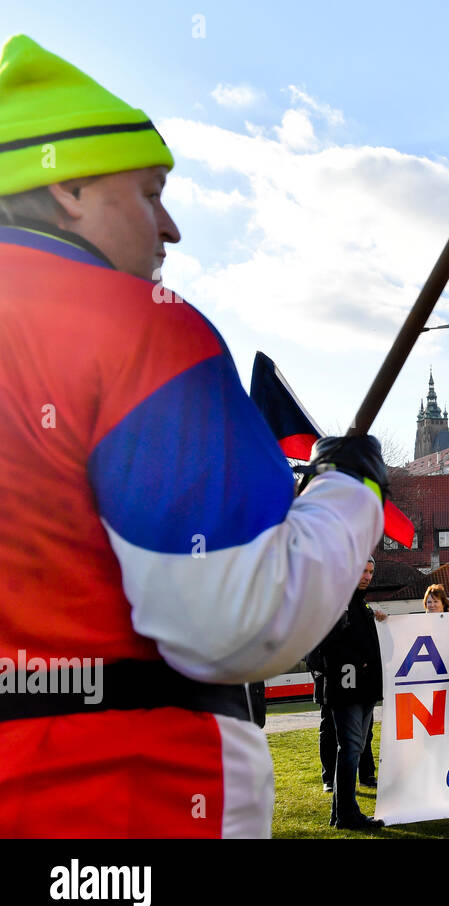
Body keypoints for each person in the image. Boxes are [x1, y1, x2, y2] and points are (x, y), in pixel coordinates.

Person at [0, 36, 385, 837]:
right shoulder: (132, 328)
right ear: (65, 185)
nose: (170, 226)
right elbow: (238, 619)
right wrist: (351, 494)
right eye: (149, 192)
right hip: (129, 795)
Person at [307, 558, 388, 830]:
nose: (366, 576)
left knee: (354, 748)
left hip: (364, 691)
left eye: (370, 572)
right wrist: (357, 661)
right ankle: (347, 814)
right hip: (347, 691)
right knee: (351, 749)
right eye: (361, 571)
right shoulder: (335, 604)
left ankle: (342, 813)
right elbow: (323, 646)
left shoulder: (360, 606)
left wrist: (379, 621)